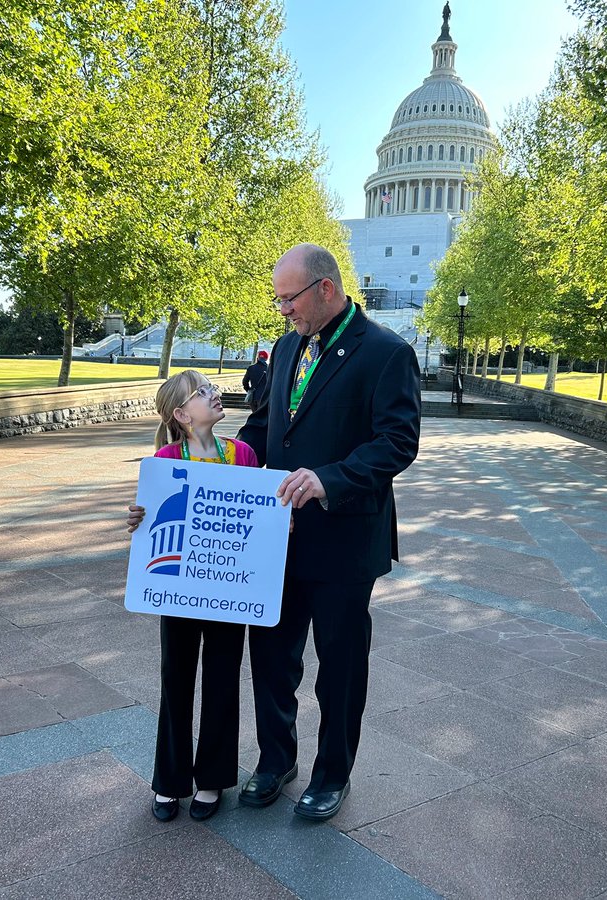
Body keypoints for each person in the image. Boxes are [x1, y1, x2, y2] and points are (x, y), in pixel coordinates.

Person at [236, 243, 421, 821]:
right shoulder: (287, 347)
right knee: (271, 660)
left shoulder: (387, 353)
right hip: (278, 537)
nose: (283, 310)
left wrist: (329, 479)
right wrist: (209, 468)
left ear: (325, 288)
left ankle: (332, 775)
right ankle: (276, 761)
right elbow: (265, 426)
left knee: (339, 669)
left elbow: (397, 442)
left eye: (288, 299)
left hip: (345, 541)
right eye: (277, 300)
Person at [126, 370, 260, 823]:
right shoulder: (165, 459)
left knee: (222, 682)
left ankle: (213, 778)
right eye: (202, 392)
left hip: (228, 590)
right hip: (179, 591)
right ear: (182, 415)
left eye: (211, 388)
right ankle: (169, 780)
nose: (214, 394)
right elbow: (152, 518)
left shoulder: (243, 454)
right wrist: (138, 518)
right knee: (176, 681)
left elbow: (254, 517)